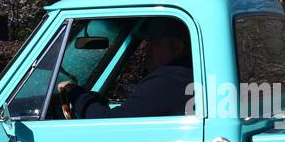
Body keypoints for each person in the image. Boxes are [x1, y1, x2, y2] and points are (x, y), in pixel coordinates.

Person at [58, 18, 193, 118]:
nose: (148, 49)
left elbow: (110, 124)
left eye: (156, 43)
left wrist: (76, 94)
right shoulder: (187, 75)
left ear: (177, 48)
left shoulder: (169, 80)